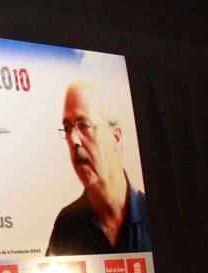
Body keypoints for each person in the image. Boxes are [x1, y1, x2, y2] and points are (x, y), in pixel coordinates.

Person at [46, 81, 151, 256]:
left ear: (115, 136)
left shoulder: (152, 215)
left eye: (84, 125)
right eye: (67, 128)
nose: (73, 140)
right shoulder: (66, 225)